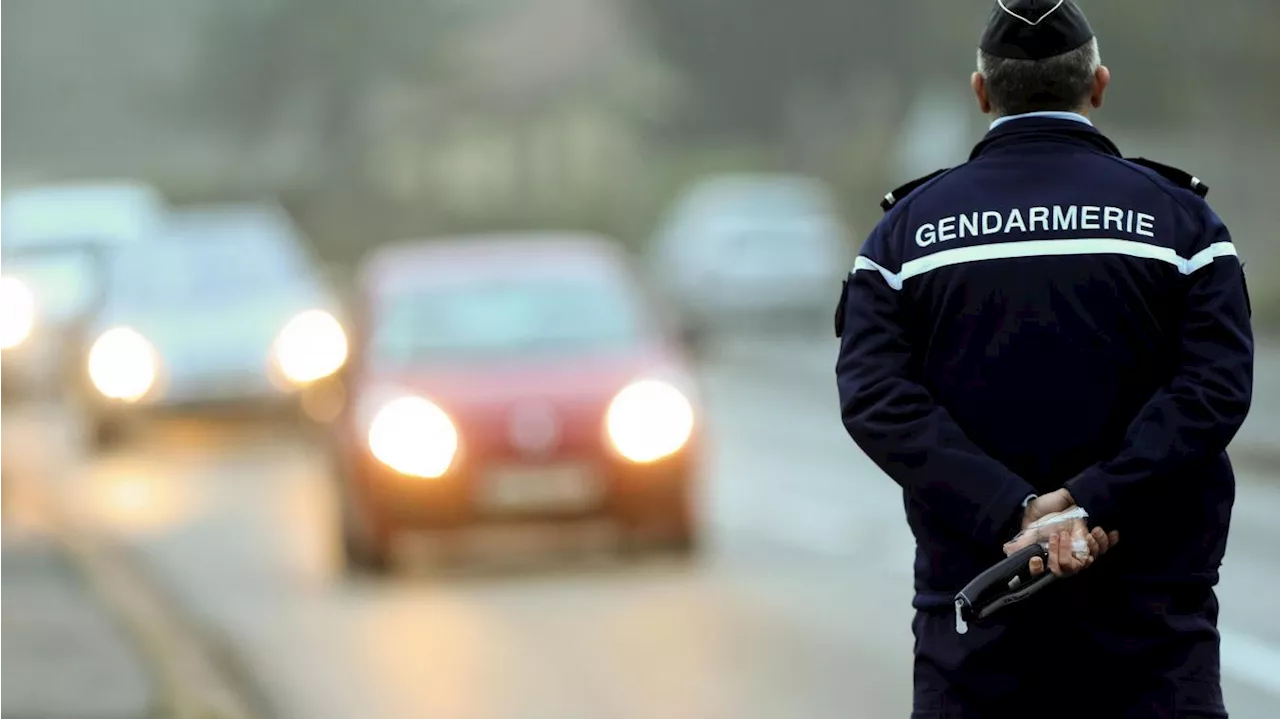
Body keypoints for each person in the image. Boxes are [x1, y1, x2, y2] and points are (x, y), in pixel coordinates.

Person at [834, 1, 1254, 716]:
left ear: (981, 93)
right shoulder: (1185, 226)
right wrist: (1094, 498)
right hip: (1152, 630)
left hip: (976, 624)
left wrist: (1013, 509)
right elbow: (1214, 387)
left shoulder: (901, 239)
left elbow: (875, 396)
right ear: (1098, 85)